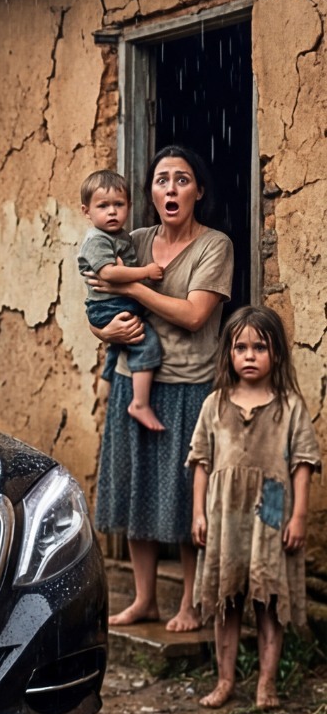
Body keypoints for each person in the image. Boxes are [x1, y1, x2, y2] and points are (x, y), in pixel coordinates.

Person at [90, 145, 234, 632]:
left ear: (198, 191)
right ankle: (145, 599)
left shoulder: (215, 245)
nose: (171, 188)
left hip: (190, 386)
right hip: (133, 382)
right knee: (135, 490)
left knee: (184, 497)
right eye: (161, 180)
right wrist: (104, 333)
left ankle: (190, 603)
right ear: (150, 193)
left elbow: (195, 316)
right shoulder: (132, 239)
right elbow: (97, 297)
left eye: (182, 179)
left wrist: (132, 288)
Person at [188, 307, 320, 710]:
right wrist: (199, 512)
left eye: (259, 347)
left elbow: (302, 464)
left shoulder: (289, 406)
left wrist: (297, 516)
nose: (249, 355)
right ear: (228, 353)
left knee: (267, 600)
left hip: (271, 512)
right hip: (225, 514)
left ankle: (266, 684)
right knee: (227, 599)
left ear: (276, 354)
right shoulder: (214, 404)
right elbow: (201, 462)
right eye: (240, 347)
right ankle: (225, 680)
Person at [78, 168, 165, 431]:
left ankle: (106, 377)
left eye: (118, 204)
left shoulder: (121, 236)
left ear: (129, 205)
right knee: (145, 342)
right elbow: (108, 273)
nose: (112, 212)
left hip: (112, 304)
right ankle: (139, 403)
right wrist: (146, 272)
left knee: (120, 342)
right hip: (107, 307)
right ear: (87, 211)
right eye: (103, 206)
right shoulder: (97, 240)